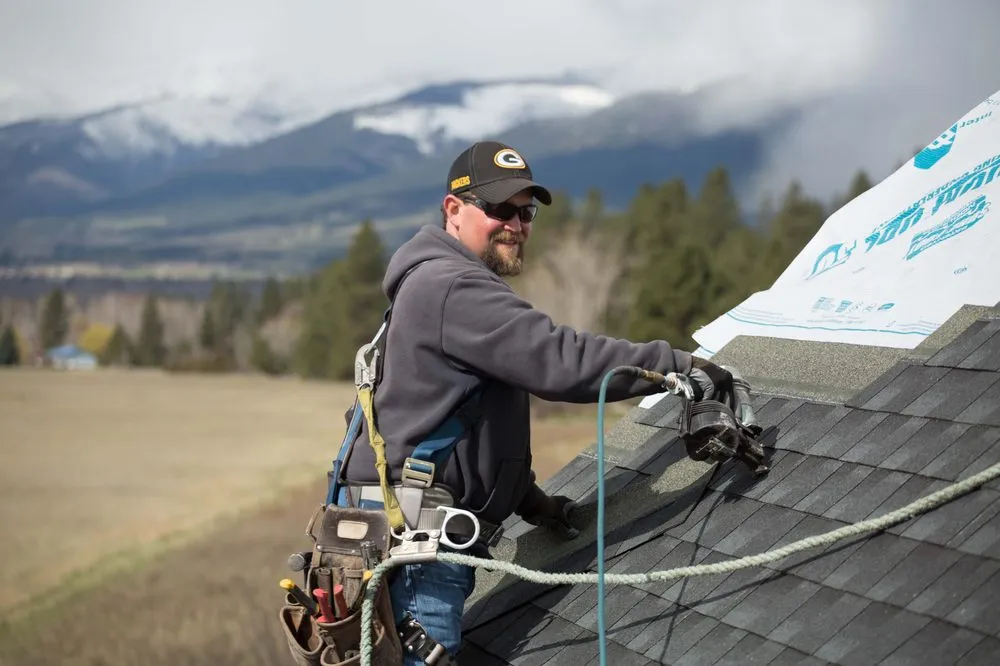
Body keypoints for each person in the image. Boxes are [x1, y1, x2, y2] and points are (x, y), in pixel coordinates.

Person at [338, 139, 734, 662]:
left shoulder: (431, 282)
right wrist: (679, 365)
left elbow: (454, 423)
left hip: (399, 532)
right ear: (453, 209)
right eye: (499, 209)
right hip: (415, 547)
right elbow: (560, 360)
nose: (516, 225)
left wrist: (533, 503)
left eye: (525, 213)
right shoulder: (451, 286)